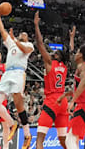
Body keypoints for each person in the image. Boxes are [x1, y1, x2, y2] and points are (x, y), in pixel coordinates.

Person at [0, 5, 34, 148]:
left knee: (18, 102)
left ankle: (27, 135)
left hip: (18, 73)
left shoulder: (28, 45)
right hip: (7, 73)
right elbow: (2, 30)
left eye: (24, 34)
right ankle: (12, 124)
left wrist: (15, 40)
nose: (23, 34)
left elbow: (24, 49)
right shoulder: (11, 43)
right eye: (20, 33)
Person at [32, 12, 69, 149]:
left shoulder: (49, 62)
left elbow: (39, 43)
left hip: (52, 100)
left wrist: (36, 25)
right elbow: (70, 51)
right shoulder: (64, 66)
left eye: (56, 53)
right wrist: (70, 38)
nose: (53, 52)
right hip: (63, 101)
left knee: (40, 139)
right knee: (64, 141)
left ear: (58, 57)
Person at [66, 43, 85, 149]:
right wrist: (72, 40)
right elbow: (71, 56)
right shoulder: (81, 66)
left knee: (70, 139)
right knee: (74, 138)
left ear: (81, 55)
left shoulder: (84, 67)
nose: (75, 54)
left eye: (78, 52)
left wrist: (72, 101)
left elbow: (84, 83)